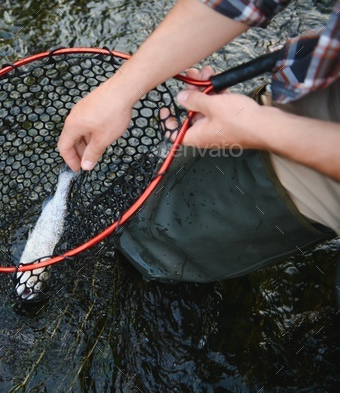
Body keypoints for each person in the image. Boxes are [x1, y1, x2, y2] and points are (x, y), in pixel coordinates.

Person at [57, 0, 340, 297]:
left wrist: (262, 130)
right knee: (154, 233)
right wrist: (121, 90)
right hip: (305, 94)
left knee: (158, 245)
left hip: (318, 179)